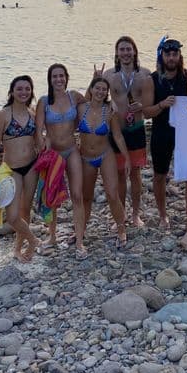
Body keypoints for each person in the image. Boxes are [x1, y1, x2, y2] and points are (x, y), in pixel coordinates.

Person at [141, 38, 187, 229]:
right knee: (159, 175)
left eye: (175, 54)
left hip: (185, 133)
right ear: (162, 56)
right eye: (168, 54)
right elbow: (146, 112)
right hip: (161, 132)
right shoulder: (152, 80)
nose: (171, 58)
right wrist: (162, 105)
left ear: (180, 56)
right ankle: (163, 215)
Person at [35, 63, 86, 253]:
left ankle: (80, 240)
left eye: (61, 76)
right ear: (49, 79)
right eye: (54, 76)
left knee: (77, 195)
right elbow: (38, 130)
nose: (58, 79)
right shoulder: (44, 101)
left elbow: (93, 102)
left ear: (67, 77)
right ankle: (52, 236)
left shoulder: (74, 96)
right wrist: (44, 140)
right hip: (53, 154)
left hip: (72, 150)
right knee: (52, 197)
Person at [101, 36, 151, 227]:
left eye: (128, 49)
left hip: (137, 129)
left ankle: (136, 214)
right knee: (120, 173)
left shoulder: (145, 74)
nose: (125, 53)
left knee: (135, 173)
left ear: (135, 51)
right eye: (122, 49)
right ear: (117, 53)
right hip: (117, 130)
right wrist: (93, 79)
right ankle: (120, 214)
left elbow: (151, 103)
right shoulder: (108, 75)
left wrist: (143, 106)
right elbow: (95, 97)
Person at [0, 76, 40, 262]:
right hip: (12, 169)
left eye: (27, 89)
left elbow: (38, 140)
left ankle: (19, 249)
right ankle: (33, 240)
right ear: (12, 91)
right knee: (12, 216)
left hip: (32, 166)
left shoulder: (32, 113)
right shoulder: (3, 115)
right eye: (19, 89)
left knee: (25, 210)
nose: (23, 92)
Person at [77, 76, 128, 252]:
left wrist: (126, 157)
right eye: (97, 88)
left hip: (106, 155)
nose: (100, 92)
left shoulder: (109, 111)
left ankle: (121, 228)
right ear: (91, 90)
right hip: (86, 158)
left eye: (103, 90)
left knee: (112, 194)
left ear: (107, 93)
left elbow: (118, 136)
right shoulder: (81, 108)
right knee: (86, 197)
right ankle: (81, 230)